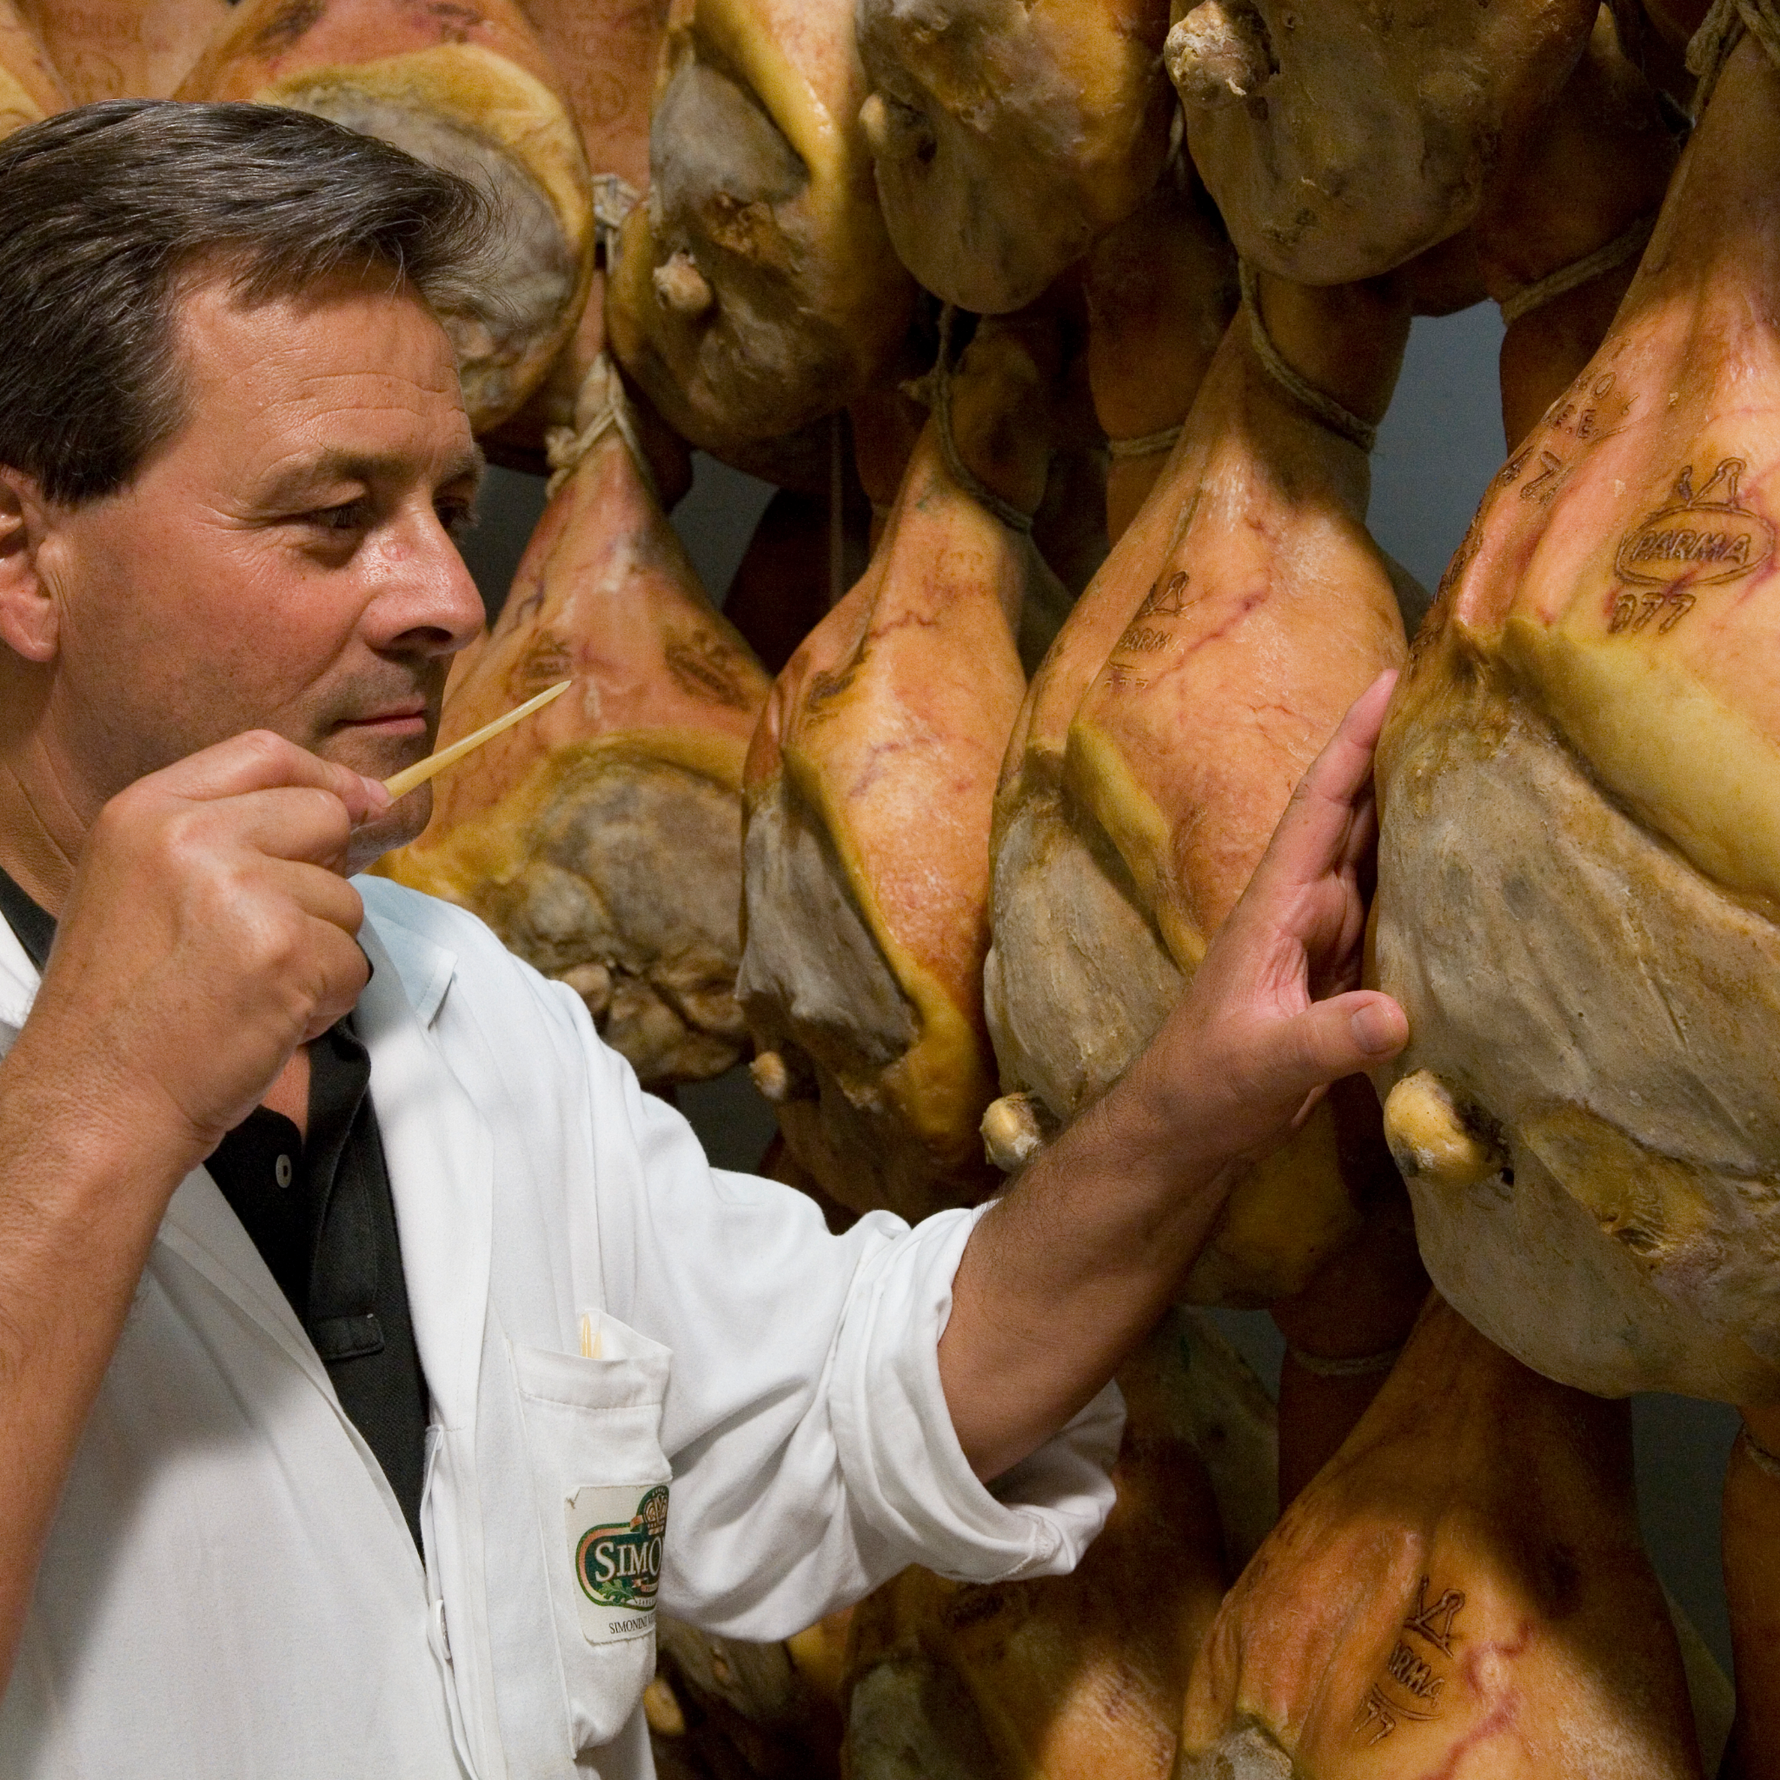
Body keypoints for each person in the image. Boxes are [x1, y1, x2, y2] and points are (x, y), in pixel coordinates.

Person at [0, 101, 1409, 1778]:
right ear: (22, 559)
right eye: (332, 516)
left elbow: (853, 1404)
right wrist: (99, 1104)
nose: (451, 597)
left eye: (448, 503)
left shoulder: (468, 1011)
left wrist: (1197, 1100)